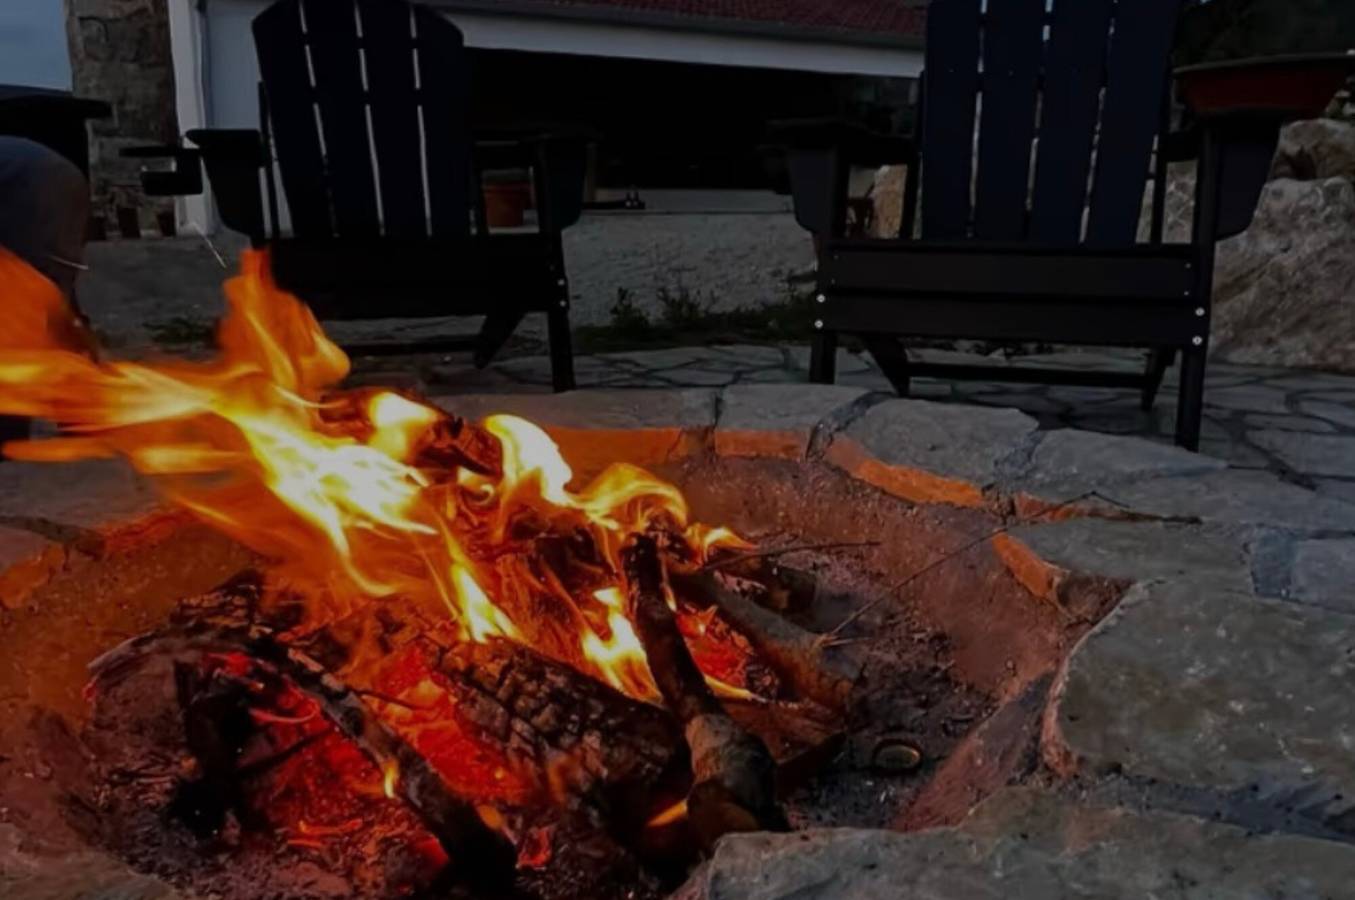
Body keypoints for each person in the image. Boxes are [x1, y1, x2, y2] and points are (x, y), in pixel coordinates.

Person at [0, 135, 91, 449]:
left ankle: (8, 430)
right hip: (60, 177)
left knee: (19, 312)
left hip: (29, 190)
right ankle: (84, 414)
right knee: (56, 307)